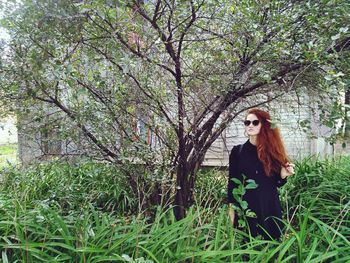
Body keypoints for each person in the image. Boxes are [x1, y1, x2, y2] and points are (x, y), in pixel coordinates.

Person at [227, 108, 295, 240]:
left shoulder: (273, 152)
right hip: (246, 208)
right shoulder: (237, 151)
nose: (250, 125)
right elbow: (232, 183)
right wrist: (232, 211)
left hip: (269, 206)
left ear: (264, 125)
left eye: (255, 122)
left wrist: (283, 175)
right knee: (247, 249)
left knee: (271, 248)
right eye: (247, 123)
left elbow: (276, 183)